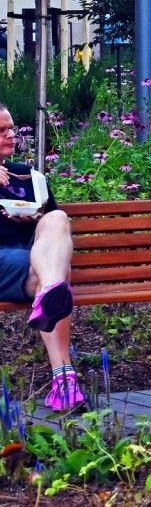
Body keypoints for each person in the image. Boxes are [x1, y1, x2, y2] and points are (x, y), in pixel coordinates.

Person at [0, 106, 81, 411]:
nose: (11, 135)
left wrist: (33, 216)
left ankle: (49, 294)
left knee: (57, 218)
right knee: (57, 277)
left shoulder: (28, 176)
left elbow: (53, 235)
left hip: (32, 266)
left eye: (11, 128)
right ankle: (65, 380)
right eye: (2, 131)